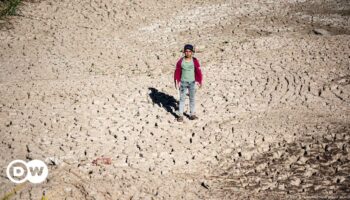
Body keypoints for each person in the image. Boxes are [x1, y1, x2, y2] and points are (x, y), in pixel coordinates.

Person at [174, 44, 203, 122]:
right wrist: (177, 81)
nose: (187, 53)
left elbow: (198, 71)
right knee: (182, 99)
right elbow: (177, 71)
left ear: (192, 52)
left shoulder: (195, 61)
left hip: (192, 83)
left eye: (189, 51)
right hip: (183, 83)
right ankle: (180, 115)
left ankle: (192, 114)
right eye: (186, 51)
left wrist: (199, 81)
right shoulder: (180, 61)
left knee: (192, 99)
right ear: (184, 52)